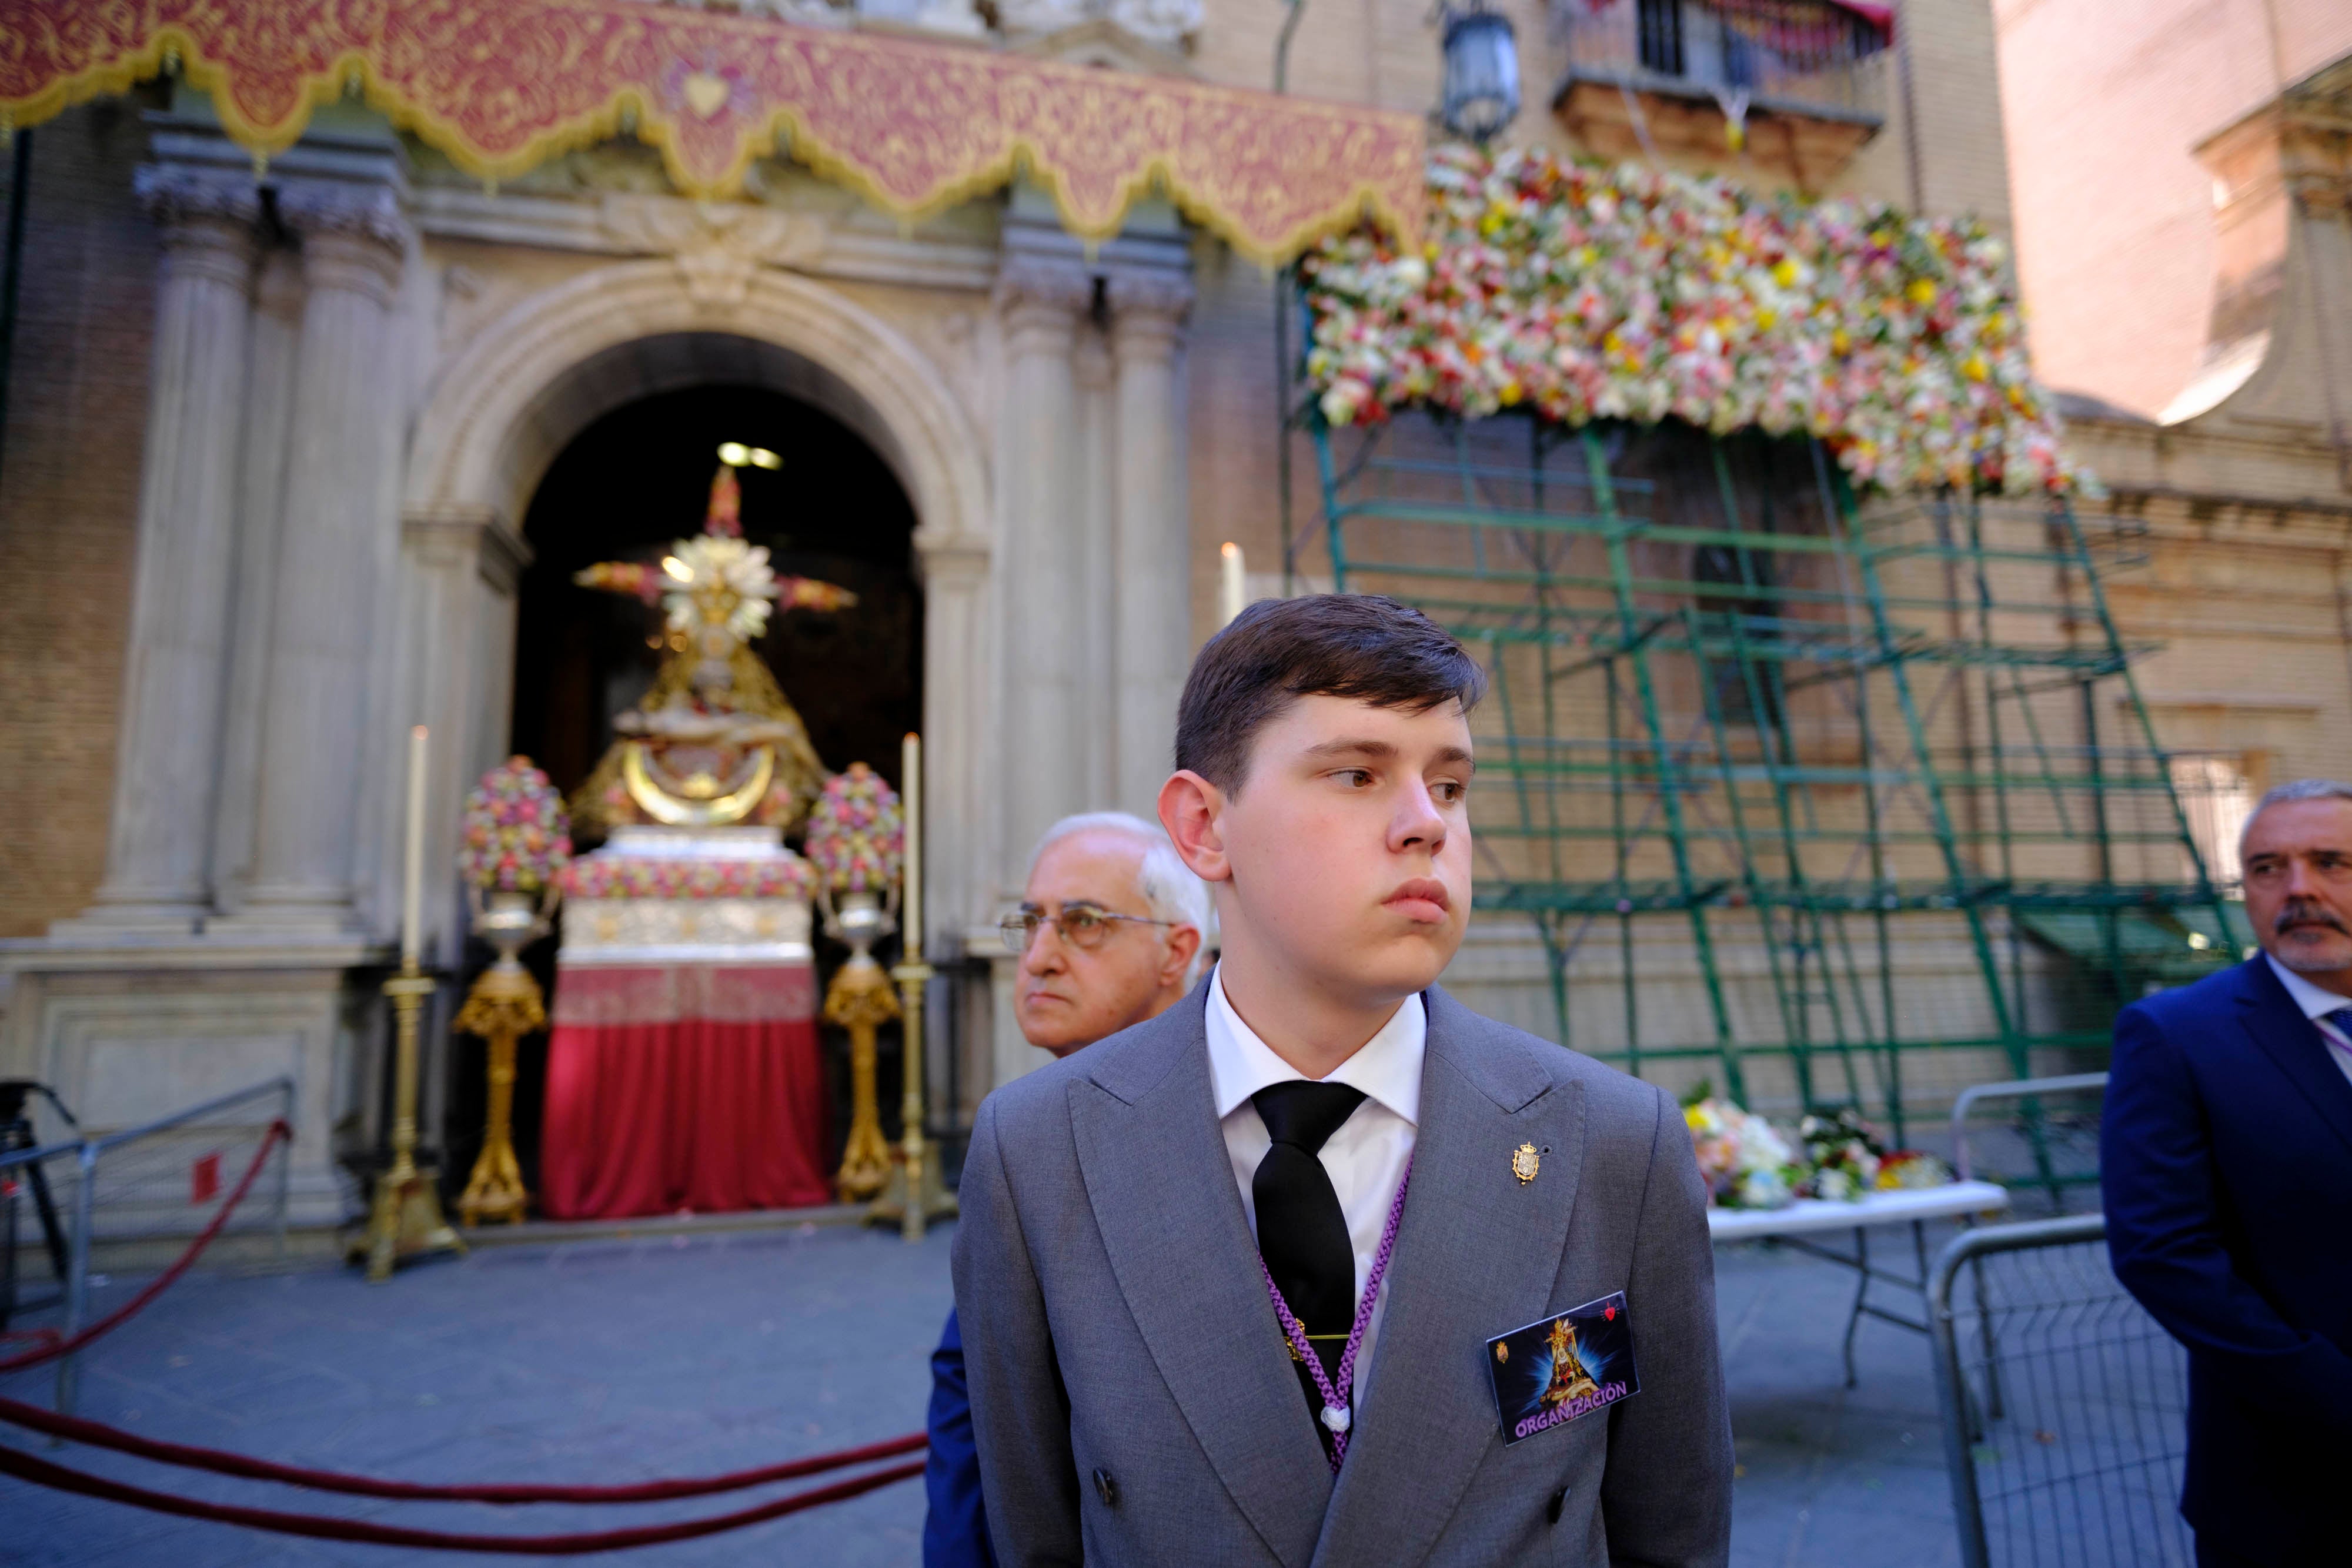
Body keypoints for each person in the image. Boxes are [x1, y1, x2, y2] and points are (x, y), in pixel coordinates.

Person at [953, 595, 1733, 1567]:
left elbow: (1675, 1528)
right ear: (1204, 827)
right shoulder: (1040, 1151)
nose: (1427, 826)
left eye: (1450, 785)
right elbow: (1033, 1532)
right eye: (1359, 773)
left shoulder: (1612, 1142)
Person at [923, 812, 1208, 1568]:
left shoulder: (1245, 1122)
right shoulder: (1023, 1135)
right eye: (1031, 921)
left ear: (1176, 949)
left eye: (1083, 923)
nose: (1039, 957)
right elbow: (973, 1387)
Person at [2103, 778, 2352, 1567]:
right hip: (2299, 1486)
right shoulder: (2177, 1034)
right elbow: (2163, 1253)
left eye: (2331, 860)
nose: (2299, 888)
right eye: (2268, 867)